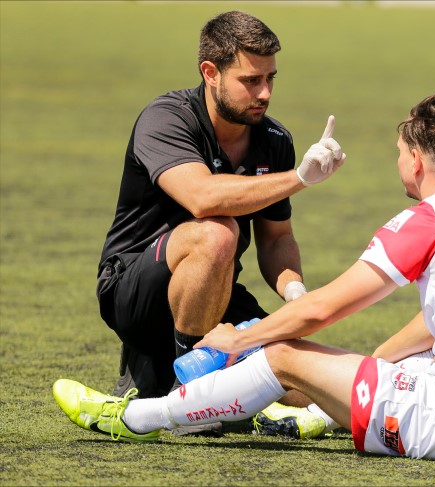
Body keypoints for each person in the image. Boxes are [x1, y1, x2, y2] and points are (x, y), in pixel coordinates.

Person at [54, 93, 435, 460]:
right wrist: (361, 366)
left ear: (414, 159)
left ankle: (136, 418)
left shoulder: (426, 220)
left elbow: (322, 310)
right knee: (418, 359)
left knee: (281, 355)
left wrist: (239, 339)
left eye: (397, 154)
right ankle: (316, 414)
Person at [95, 8, 345, 421]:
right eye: (250, 80)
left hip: (215, 290)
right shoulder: (165, 118)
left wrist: (295, 295)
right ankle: (189, 395)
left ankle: (162, 373)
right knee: (217, 232)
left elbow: (276, 239)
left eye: (270, 79)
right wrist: (299, 178)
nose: (264, 93)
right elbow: (203, 198)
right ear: (210, 72)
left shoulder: (274, 139)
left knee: (303, 376)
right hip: (133, 290)